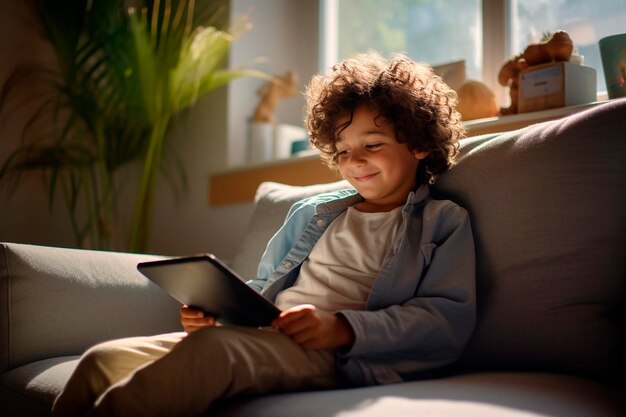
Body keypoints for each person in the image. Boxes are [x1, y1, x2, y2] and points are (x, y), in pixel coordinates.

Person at [52, 51, 475, 417]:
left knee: (212, 353)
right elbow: (261, 289)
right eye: (343, 150)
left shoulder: (441, 222)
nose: (355, 161)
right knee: (101, 359)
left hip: (332, 356)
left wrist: (344, 328)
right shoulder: (311, 214)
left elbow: (445, 321)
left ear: (419, 143)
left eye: (373, 144)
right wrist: (219, 314)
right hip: (261, 336)